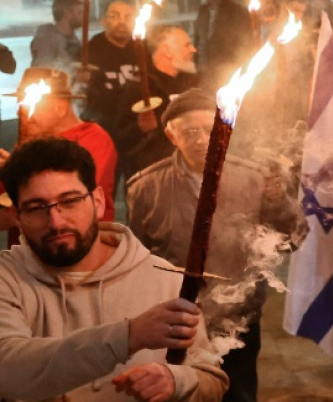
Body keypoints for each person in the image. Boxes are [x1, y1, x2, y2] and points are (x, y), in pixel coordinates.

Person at [0, 138, 228, 401]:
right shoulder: (8, 280)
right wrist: (129, 335)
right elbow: (7, 372)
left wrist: (177, 381)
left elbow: (212, 380)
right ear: (17, 217)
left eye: (70, 201)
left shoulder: (162, 278)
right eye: (36, 208)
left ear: (97, 201)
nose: (56, 221)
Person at [126, 89, 307, 402]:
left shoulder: (253, 178)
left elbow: (292, 238)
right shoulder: (147, 188)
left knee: (239, 392)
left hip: (237, 316)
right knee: (183, 391)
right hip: (177, 318)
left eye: (209, 129)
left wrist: (278, 201)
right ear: (172, 135)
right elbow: (137, 261)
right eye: (190, 131)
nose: (201, 139)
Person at [9, 67, 117, 221]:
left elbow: (72, 195)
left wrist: (17, 170)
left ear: (60, 108)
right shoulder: (34, 141)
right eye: (20, 104)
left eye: (30, 103)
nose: (21, 113)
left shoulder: (93, 139)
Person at [113, 25, 199, 176]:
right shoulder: (138, 88)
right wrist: (140, 128)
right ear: (167, 51)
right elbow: (119, 140)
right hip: (154, 177)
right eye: (187, 45)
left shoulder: (193, 84)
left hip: (191, 173)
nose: (193, 50)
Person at [84, 0, 139, 141]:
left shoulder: (142, 48)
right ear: (104, 21)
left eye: (128, 17)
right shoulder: (92, 50)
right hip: (105, 128)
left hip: (137, 127)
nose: (122, 22)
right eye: (115, 16)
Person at [194, 0, 253, 87]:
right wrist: (197, 60)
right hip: (206, 64)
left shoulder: (233, 9)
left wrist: (239, 60)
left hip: (226, 63)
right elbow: (198, 36)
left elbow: (242, 37)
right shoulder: (203, 10)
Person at [30, 0, 83, 74]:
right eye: (79, 12)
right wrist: (76, 75)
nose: (83, 17)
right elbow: (44, 69)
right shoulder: (47, 39)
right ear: (67, 13)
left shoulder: (73, 39)